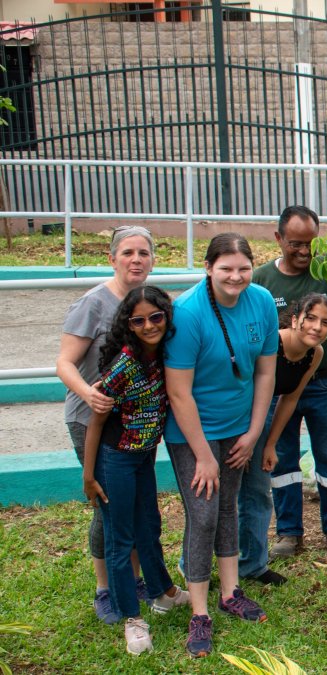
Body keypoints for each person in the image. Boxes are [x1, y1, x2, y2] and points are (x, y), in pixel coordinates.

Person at [165, 233, 278, 658]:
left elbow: (265, 373)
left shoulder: (262, 301)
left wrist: (253, 434)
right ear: (209, 268)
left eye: (243, 268)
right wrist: (203, 455)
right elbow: (179, 393)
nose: (236, 276)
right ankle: (199, 612)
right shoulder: (188, 312)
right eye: (226, 268)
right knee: (204, 515)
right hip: (193, 431)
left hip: (238, 427)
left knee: (228, 506)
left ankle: (230, 592)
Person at [81, 286, 190, 655]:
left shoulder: (162, 355)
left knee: (150, 526)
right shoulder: (124, 364)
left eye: (156, 317)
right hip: (116, 459)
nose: (149, 325)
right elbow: (96, 421)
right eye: (139, 320)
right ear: (128, 325)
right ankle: (132, 618)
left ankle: (164, 593)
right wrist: (89, 474)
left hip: (143, 456)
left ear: (167, 317)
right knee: (120, 536)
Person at [56, 225, 156, 625]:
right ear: (112, 258)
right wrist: (88, 393)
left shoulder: (147, 303)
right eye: (128, 252)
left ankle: (131, 581)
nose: (136, 260)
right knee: (108, 506)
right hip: (90, 419)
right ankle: (105, 588)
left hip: (135, 426)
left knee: (131, 504)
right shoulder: (92, 304)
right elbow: (64, 362)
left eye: (143, 253)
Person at [252, 205, 327, 561]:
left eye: (311, 243)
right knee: (281, 458)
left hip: (324, 380)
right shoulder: (261, 280)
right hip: (279, 386)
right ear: (278, 238)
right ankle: (289, 532)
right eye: (295, 243)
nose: (305, 251)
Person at [238, 293, 327, 585]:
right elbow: (241, 387)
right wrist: (246, 437)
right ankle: (194, 566)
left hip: (262, 416)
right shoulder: (271, 343)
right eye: (310, 318)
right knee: (222, 496)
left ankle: (253, 565)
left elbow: (289, 399)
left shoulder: (314, 354)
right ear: (295, 320)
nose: (317, 327)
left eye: (325, 322)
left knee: (256, 492)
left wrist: (269, 443)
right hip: (236, 415)